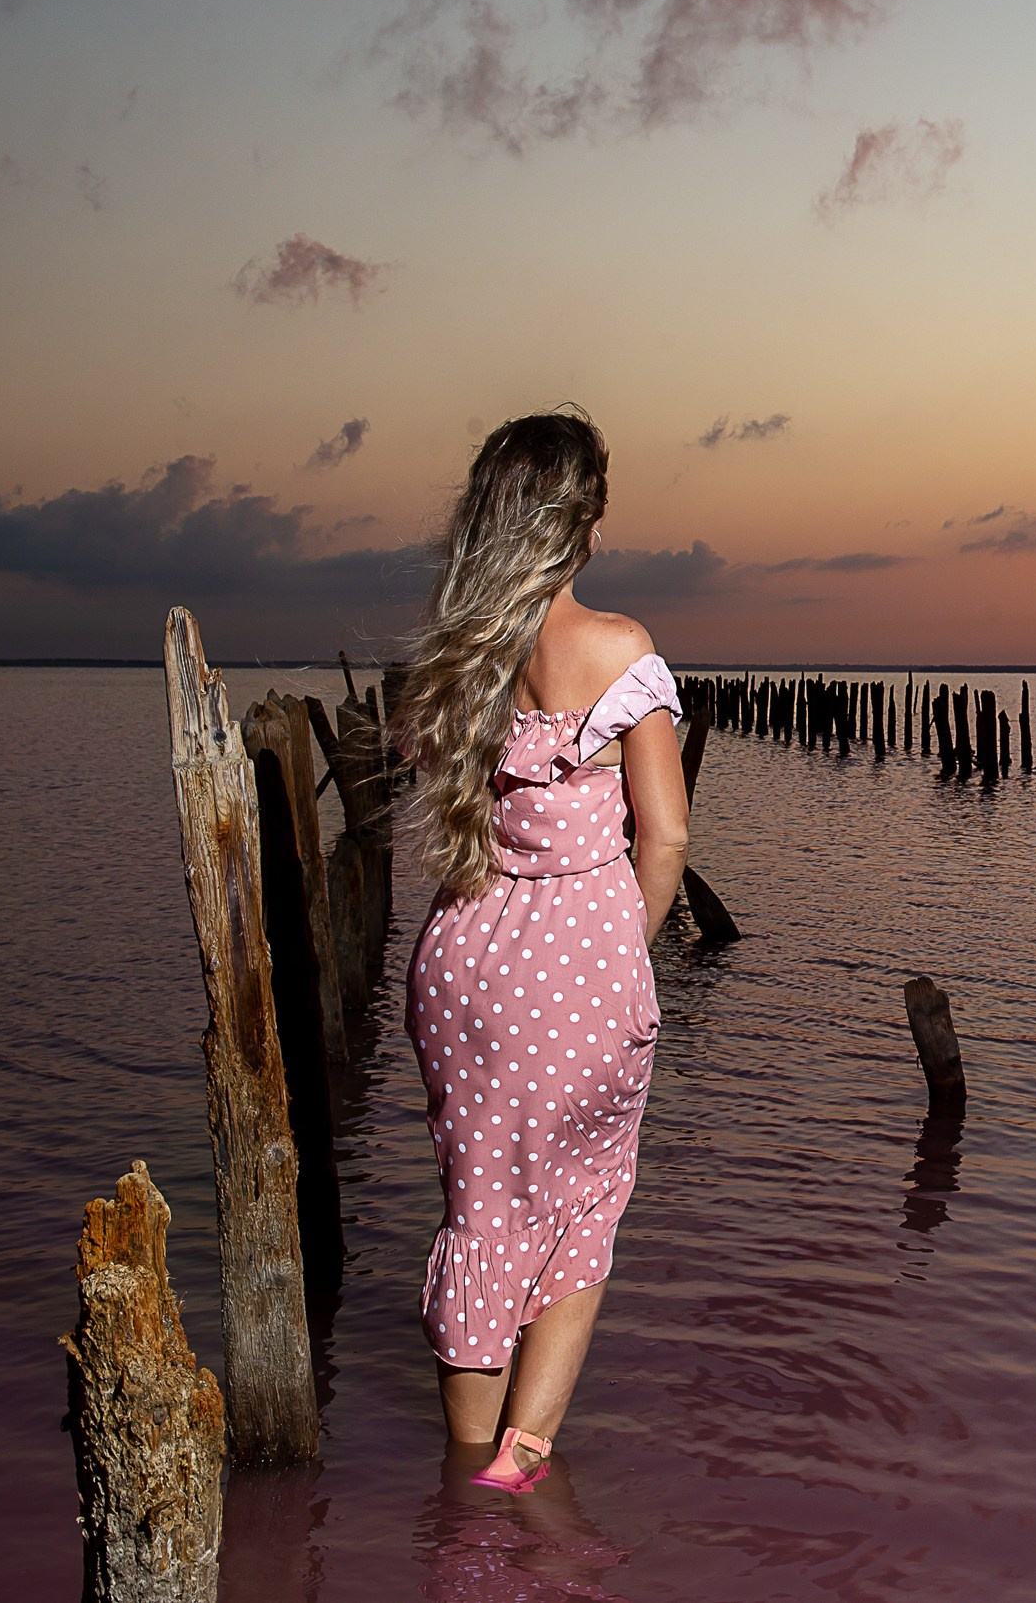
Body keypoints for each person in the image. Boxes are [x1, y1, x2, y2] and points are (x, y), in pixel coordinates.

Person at [390, 410, 691, 1493]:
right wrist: (620, 953)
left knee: (480, 1212)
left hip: (459, 961)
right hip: (575, 968)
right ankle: (515, 1476)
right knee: (583, 1200)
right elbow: (668, 838)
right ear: (582, 524)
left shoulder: (455, 659)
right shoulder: (619, 650)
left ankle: (461, 1483)